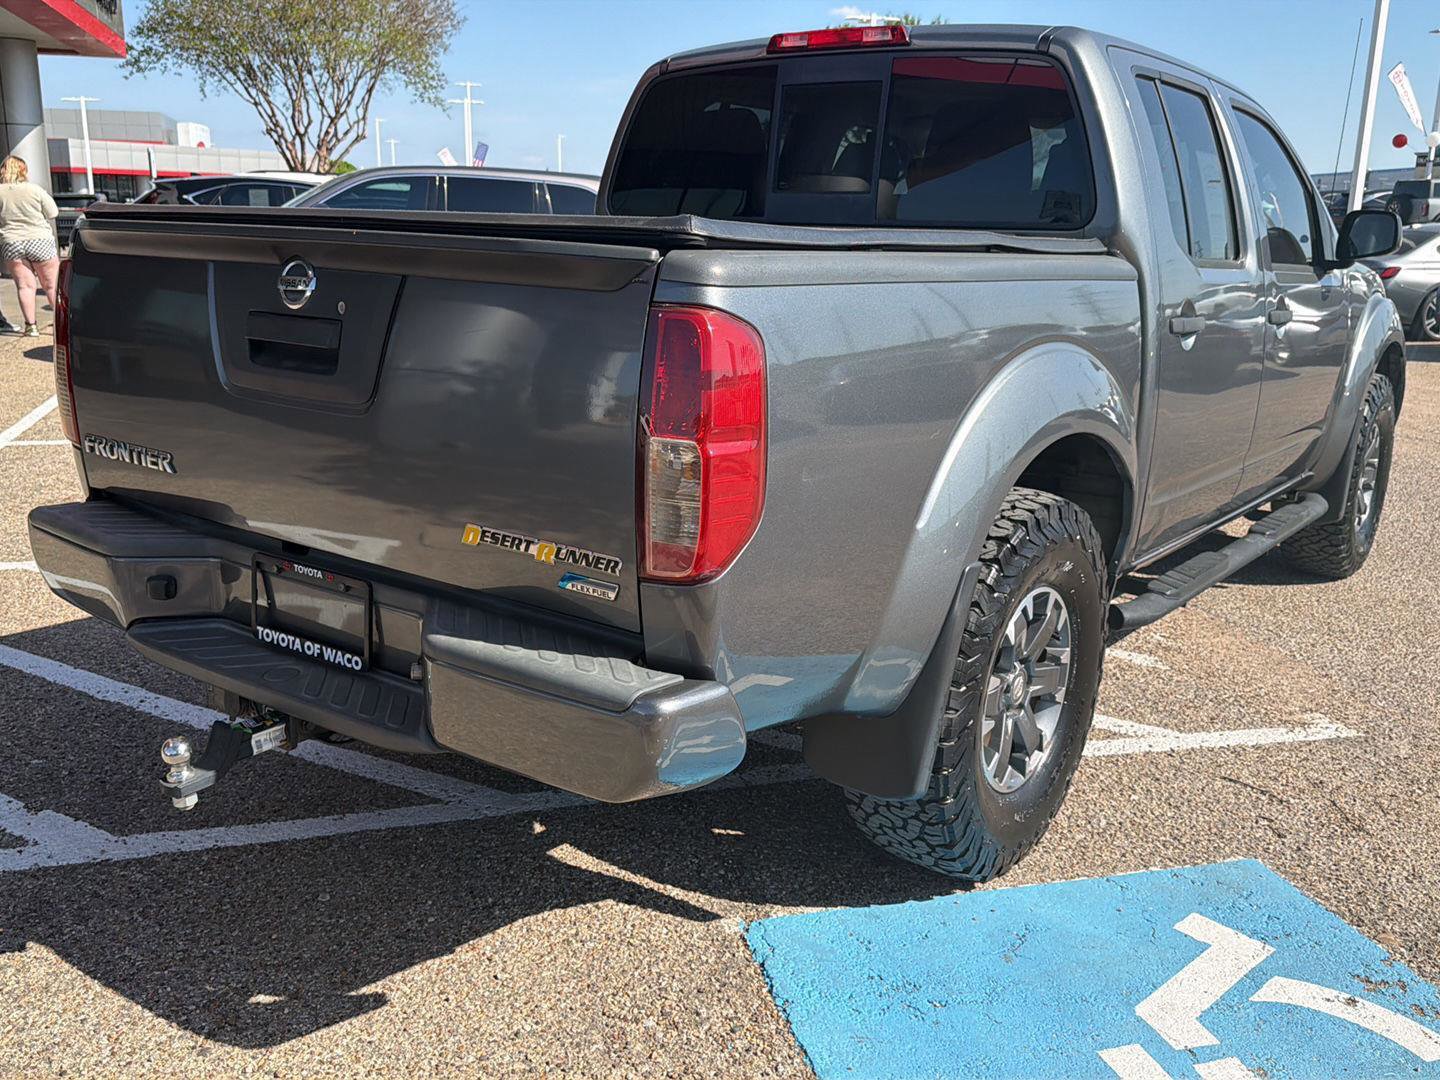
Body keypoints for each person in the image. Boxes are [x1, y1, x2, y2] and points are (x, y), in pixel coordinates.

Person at [0, 155, 60, 337]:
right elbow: (53, 212)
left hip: (12, 242)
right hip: (39, 239)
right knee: (52, 285)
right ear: (23, 170)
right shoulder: (34, 189)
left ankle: (31, 327)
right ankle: (60, 324)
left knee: (24, 286)